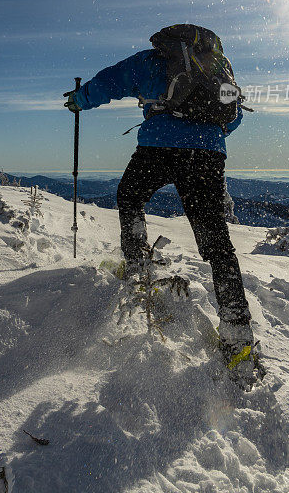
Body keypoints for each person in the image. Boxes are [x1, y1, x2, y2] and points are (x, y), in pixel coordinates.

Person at [64, 26, 255, 373]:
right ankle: (237, 335)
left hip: (157, 147)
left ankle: (138, 266)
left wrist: (81, 99)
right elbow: (235, 114)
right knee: (217, 244)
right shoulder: (217, 66)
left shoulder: (155, 60)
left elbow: (113, 81)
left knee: (130, 196)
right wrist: (208, 133)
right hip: (207, 155)